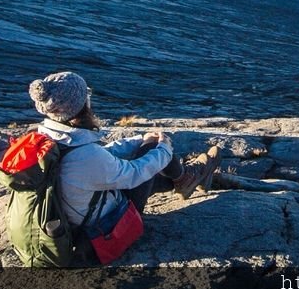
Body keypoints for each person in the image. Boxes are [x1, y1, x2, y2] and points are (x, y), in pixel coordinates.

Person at [28, 71, 220, 251]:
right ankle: (188, 177)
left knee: (148, 150)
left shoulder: (48, 139)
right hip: (104, 227)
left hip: (77, 216)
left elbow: (102, 156)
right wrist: (164, 149)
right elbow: (133, 174)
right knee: (152, 152)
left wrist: (139, 139)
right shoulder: (85, 157)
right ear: (80, 105)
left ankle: (188, 178)